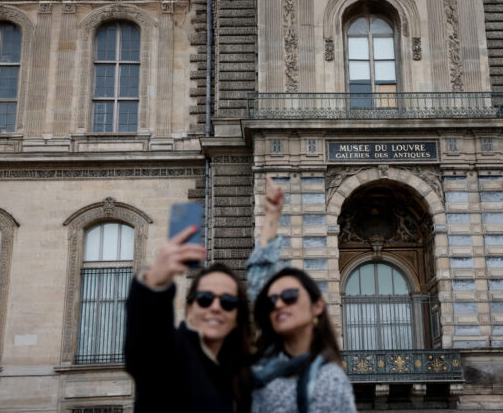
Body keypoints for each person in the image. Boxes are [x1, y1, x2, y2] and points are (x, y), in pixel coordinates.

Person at [246, 177, 356, 413]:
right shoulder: (260, 368)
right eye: (272, 300)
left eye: (290, 296)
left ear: (317, 306)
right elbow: (258, 280)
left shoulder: (330, 381)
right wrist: (271, 216)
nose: (278, 304)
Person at [124, 225, 252, 412]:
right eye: (205, 299)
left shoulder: (243, 376)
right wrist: (154, 284)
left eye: (227, 302)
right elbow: (147, 346)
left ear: (237, 316)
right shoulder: (170, 357)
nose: (215, 307)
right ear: (190, 309)